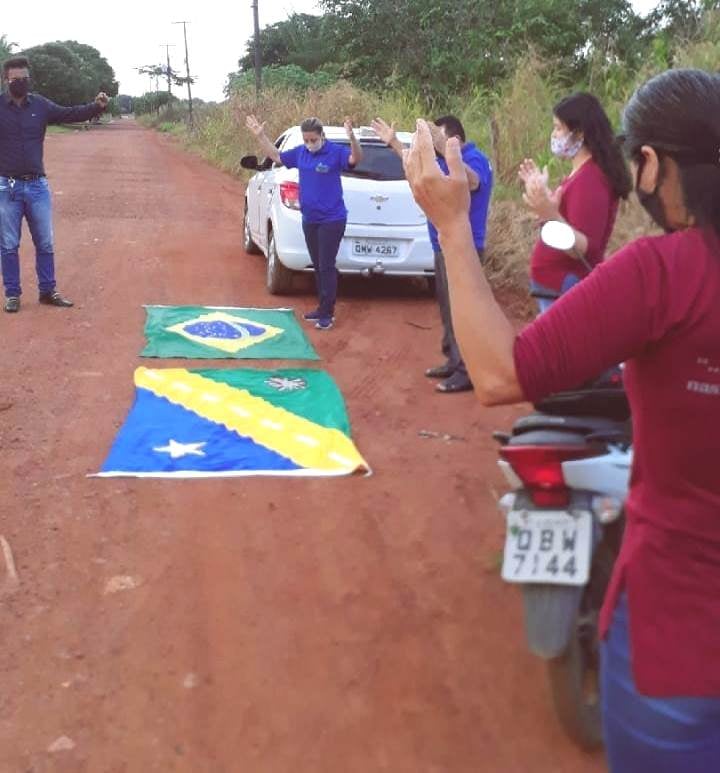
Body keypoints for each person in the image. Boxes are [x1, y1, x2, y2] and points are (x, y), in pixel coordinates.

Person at [403, 68, 720, 772]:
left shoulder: (661, 272)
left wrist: (452, 227)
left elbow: (498, 374)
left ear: (651, 164)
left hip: (676, 644)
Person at [372, 115, 493, 393]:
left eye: (439, 139)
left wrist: (447, 152)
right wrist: (394, 143)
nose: (434, 145)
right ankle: (454, 359)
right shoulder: (442, 160)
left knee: (464, 312)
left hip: (464, 248)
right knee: (448, 309)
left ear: (455, 140)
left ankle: (467, 371)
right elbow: (415, 163)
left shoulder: (474, 159)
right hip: (442, 245)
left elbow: (473, 182)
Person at [0, 56, 109, 313]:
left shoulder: (40, 105)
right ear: (5, 80)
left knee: (45, 242)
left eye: (25, 78)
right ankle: (12, 294)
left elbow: (69, 113)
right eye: (16, 79)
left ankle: (47, 291)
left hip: (37, 187)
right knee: (8, 244)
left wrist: (96, 107)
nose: (21, 82)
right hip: (7, 187)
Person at [245, 114, 362, 330]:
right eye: (306, 140)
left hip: (332, 220)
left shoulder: (335, 152)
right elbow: (277, 156)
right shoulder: (301, 153)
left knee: (326, 265)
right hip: (310, 219)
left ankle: (327, 313)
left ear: (322, 136)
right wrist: (261, 136)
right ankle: (322, 307)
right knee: (317, 264)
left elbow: (356, 159)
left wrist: (353, 139)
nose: (310, 144)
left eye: (313, 140)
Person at [519, 92, 631, 312]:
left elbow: (583, 249)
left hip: (564, 288)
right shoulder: (581, 174)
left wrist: (549, 213)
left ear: (579, 134)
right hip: (555, 288)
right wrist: (545, 203)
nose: (554, 135)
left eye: (558, 128)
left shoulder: (591, 180)